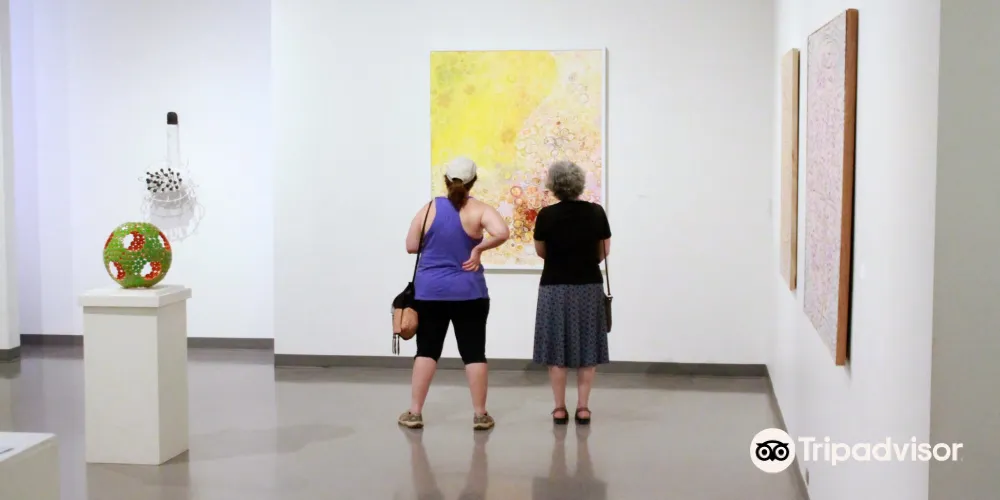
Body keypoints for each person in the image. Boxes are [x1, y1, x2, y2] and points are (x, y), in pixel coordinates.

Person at [399, 157, 510, 431]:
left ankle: (414, 413)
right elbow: (502, 232)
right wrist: (478, 248)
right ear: (473, 182)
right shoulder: (480, 209)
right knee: (474, 352)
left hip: (430, 292)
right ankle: (480, 415)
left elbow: (411, 246)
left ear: (446, 180)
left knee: (427, 351)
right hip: (469, 292)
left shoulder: (429, 209)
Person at [532, 160, 611, 425]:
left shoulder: (546, 215)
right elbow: (604, 251)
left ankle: (559, 408)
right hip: (588, 286)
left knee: (557, 348)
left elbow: (541, 252)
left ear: (553, 185)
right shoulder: (596, 212)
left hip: (554, 287)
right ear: (579, 183)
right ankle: (583, 408)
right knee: (588, 347)